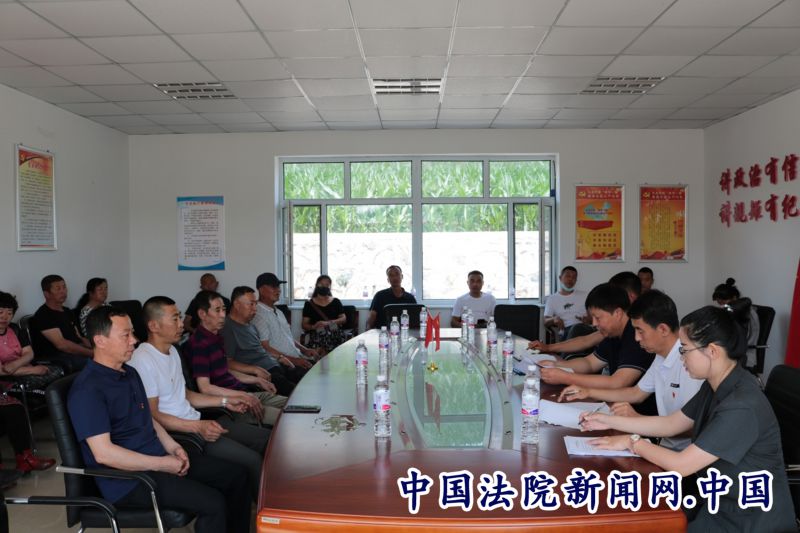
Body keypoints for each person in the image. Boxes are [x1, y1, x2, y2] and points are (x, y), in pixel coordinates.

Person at [582, 305, 795, 532]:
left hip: (750, 520)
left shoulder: (742, 405)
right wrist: (607, 420)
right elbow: (671, 424)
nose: (681, 357)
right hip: (718, 503)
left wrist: (631, 441)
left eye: (684, 349)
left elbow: (681, 465)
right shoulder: (716, 384)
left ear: (712, 351)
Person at [68, 306, 251, 533]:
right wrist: (162, 464)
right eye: (125, 335)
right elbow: (104, 454)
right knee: (213, 503)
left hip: (157, 459)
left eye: (132, 333)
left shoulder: (129, 373)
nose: (134, 340)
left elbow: (148, 417)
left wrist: (173, 447)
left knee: (236, 476)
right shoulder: (88, 390)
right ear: (100, 341)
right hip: (129, 480)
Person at [129, 296, 269, 497]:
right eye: (175, 319)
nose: (181, 324)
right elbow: (153, 414)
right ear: (154, 326)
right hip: (184, 434)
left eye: (180, 317)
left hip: (198, 421)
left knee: (266, 439)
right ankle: (263, 511)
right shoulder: (142, 360)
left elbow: (186, 395)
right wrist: (197, 427)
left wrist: (226, 401)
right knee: (251, 461)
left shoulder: (172, 351)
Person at [559, 290, 703, 450]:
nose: (636, 338)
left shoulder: (690, 364)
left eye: (640, 331)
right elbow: (636, 393)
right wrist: (588, 392)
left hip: (684, 454)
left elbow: (694, 428)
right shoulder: (661, 356)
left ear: (663, 329)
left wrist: (636, 418)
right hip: (663, 445)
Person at [539, 283, 656, 414]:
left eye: (598, 318)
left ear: (617, 313)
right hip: (617, 407)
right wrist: (556, 365)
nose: (594, 323)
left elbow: (618, 382)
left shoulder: (636, 337)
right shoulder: (613, 334)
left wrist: (566, 377)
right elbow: (589, 363)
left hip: (641, 415)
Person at [186, 289, 287, 426]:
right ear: (202, 314)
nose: (223, 315)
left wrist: (256, 380)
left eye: (223, 309)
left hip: (244, 394)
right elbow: (205, 388)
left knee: (294, 404)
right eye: (217, 310)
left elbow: (224, 370)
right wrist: (243, 396)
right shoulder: (199, 344)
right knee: (288, 419)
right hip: (233, 404)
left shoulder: (215, 338)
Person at [529, 270, 642, 356]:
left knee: (577, 328)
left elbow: (619, 379)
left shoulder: (636, 331)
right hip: (566, 331)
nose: (595, 323)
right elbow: (586, 346)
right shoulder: (611, 331)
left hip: (581, 328)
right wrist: (548, 348)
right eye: (567, 276)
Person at [223, 286, 303, 396]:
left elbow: (261, 350)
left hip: (275, 365)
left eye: (255, 304)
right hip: (263, 375)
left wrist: (280, 357)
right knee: (298, 394)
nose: (255, 309)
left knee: (307, 378)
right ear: (237, 304)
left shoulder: (250, 326)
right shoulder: (227, 328)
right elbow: (227, 363)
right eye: (251, 304)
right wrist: (255, 369)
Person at [0, 291, 64, 393]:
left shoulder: (15, 330)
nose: (4, 317)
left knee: (60, 372)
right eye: (0, 312)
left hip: (22, 369)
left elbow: (29, 353)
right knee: (50, 390)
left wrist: (14, 365)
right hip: (7, 380)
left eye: (9, 313)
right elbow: (2, 371)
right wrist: (33, 370)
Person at [253, 273, 319, 368]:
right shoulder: (258, 314)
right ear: (261, 290)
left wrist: (305, 350)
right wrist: (294, 361)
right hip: (283, 364)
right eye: (274, 287)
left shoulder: (278, 311)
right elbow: (265, 347)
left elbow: (288, 337)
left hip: (297, 357)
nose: (279, 290)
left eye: (278, 286)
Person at [31, 275, 93, 373]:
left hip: (74, 352)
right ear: (47, 294)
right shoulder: (43, 315)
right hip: (57, 356)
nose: (63, 291)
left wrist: (97, 349)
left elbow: (79, 337)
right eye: (58, 288)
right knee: (96, 363)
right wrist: (92, 353)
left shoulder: (67, 311)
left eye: (64, 287)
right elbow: (62, 345)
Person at [712, 278, 760, 368]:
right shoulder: (730, 310)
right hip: (730, 347)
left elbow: (746, 338)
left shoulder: (748, 313)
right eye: (719, 303)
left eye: (724, 303)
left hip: (744, 354)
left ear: (734, 298)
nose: (722, 306)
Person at [542, 266, 592, 340]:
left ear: (576, 280)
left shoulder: (585, 295)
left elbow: (593, 317)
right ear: (560, 278)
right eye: (568, 276)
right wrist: (554, 319)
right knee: (574, 331)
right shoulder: (552, 299)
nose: (570, 279)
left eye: (574, 277)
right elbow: (545, 321)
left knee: (579, 329)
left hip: (584, 329)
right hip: (566, 331)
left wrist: (588, 319)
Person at [301, 275, 347, 355]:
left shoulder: (336, 301)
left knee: (331, 337)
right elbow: (304, 324)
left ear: (330, 287)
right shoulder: (309, 304)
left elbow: (343, 318)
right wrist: (314, 326)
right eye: (321, 284)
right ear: (316, 285)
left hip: (334, 331)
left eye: (327, 285)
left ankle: (326, 356)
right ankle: (322, 356)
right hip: (317, 333)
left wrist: (329, 323)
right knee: (320, 338)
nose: (324, 287)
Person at [366, 265, 416, 330]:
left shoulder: (410, 298)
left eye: (397, 274)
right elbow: (371, 318)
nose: (395, 277)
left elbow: (415, 320)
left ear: (402, 276)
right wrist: (368, 332)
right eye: (391, 275)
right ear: (388, 280)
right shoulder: (379, 295)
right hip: (383, 332)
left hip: (405, 332)